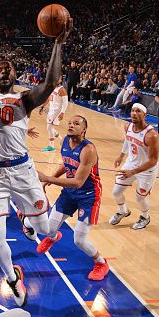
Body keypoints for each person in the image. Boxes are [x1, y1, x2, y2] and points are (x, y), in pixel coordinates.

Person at [0, 19, 72, 307]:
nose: (4, 70)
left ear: (15, 73)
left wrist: (58, 44)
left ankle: (27, 218)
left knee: (45, 230)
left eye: (9, 68)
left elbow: (49, 83)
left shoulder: (25, 99)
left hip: (23, 172)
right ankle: (12, 278)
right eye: (0, 67)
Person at [36, 116, 109, 280]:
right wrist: (53, 177)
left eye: (76, 124)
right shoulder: (65, 142)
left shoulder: (88, 149)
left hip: (88, 196)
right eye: (69, 123)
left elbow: (77, 182)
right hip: (69, 193)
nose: (71, 126)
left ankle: (101, 263)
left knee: (79, 240)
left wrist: (48, 178)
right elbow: (67, 163)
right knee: (49, 229)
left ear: (84, 129)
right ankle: (54, 237)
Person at [109, 103, 159, 230]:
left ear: (144, 115)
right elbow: (128, 139)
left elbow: (153, 161)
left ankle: (145, 217)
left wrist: (132, 172)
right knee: (116, 192)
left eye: (138, 111)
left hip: (147, 169)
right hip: (131, 164)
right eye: (132, 111)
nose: (134, 113)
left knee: (139, 197)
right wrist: (121, 156)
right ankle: (123, 211)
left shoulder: (151, 135)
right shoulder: (128, 126)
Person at [39, 77, 68, 152]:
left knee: (49, 127)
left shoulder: (62, 89)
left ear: (60, 80)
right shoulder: (52, 88)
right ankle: (62, 141)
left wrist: (62, 112)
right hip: (51, 110)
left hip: (57, 111)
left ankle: (51, 146)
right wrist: (42, 106)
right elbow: (49, 98)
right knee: (50, 127)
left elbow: (65, 103)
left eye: (58, 78)